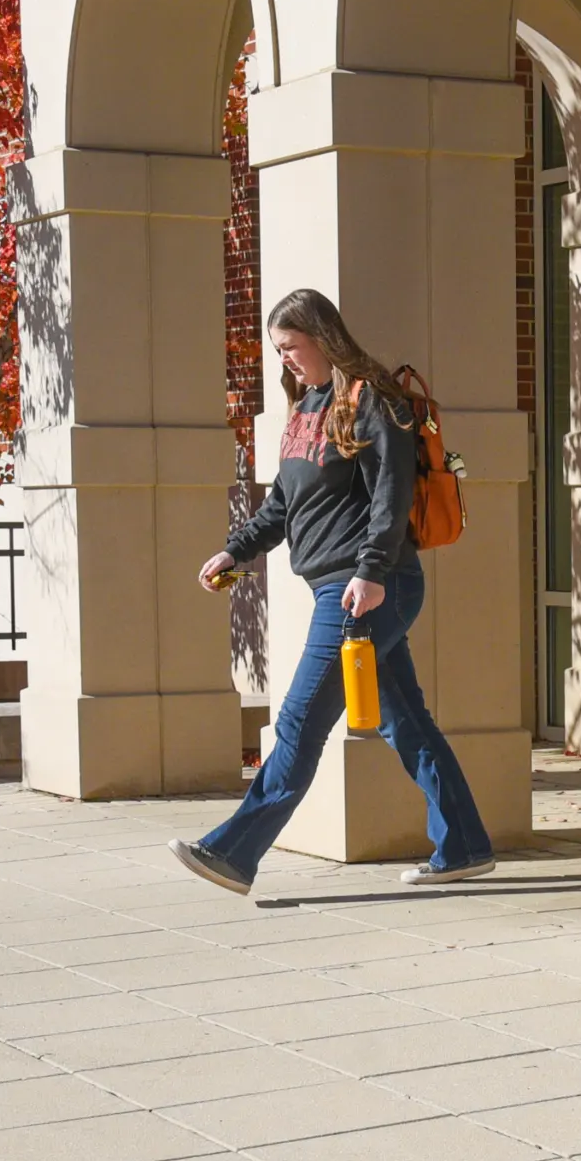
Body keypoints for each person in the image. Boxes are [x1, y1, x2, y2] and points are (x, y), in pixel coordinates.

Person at [170, 288, 497, 895]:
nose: (286, 360)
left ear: (323, 337)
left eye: (292, 347)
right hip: (342, 588)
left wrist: (371, 573)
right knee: (409, 725)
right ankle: (466, 846)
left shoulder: (372, 401)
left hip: (371, 586)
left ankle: (234, 853)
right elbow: (280, 506)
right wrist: (234, 550)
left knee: (299, 720)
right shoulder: (305, 409)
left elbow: (392, 496)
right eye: (279, 351)